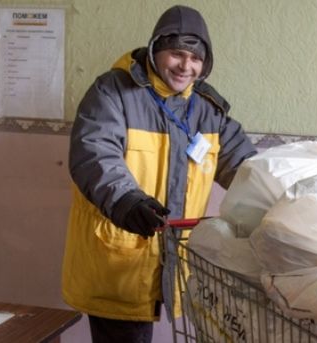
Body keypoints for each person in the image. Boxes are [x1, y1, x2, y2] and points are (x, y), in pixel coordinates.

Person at [61, 4, 257, 342]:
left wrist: (288, 197)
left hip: (170, 262)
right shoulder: (113, 91)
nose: (186, 66)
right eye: (177, 54)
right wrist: (126, 199)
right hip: (117, 258)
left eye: (196, 58)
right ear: (155, 50)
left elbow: (247, 169)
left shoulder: (208, 110)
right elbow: (94, 154)